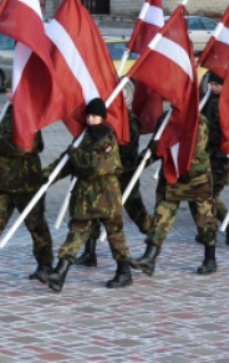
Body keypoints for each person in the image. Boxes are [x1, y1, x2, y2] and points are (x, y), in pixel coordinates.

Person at [0, 80, 53, 283]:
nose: (9, 95)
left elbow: (22, 148)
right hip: (2, 185)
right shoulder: (1, 117)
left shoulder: (30, 117)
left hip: (26, 184)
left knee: (37, 226)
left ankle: (45, 265)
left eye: (13, 91)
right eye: (7, 91)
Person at [44, 98, 132, 293]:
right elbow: (67, 163)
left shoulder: (108, 138)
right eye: (89, 115)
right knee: (76, 232)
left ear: (102, 116)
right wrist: (47, 176)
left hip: (106, 196)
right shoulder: (84, 137)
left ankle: (124, 271)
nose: (91, 119)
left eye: (95, 116)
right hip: (86, 197)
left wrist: (75, 154)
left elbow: (96, 165)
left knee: (115, 234)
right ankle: (60, 273)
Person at [130, 111, 217, 277]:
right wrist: (142, 161)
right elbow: (155, 147)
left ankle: (210, 258)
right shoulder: (164, 118)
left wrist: (163, 144)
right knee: (161, 218)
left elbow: (195, 149)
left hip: (195, 179)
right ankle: (149, 258)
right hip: (171, 177)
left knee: (204, 220)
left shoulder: (199, 121)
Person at [74, 92, 150, 267]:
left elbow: (127, 150)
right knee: (91, 213)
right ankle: (89, 252)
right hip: (103, 177)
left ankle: (153, 239)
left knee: (134, 209)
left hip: (123, 173)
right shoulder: (104, 122)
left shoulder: (129, 121)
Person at [200, 72, 229, 246]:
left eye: (217, 84)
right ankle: (207, 229)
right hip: (206, 155)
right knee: (203, 195)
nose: (213, 88)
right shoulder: (207, 100)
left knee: (210, 196)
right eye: (212, 84)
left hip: (222, 157)